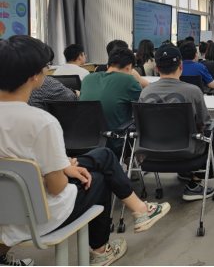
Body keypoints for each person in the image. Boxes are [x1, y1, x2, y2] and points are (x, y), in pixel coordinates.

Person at [0, 36, 170, 267]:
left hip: (5, 208)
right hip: (39, 214)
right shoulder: (40, 122)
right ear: (34, 75)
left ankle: (140, 210)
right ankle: (101, 250)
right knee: (99, 179)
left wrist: (62, 164)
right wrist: (62, 169)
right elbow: (57, 187)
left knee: (103, 156)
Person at [138, 44, 214, 201]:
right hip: (186, 151)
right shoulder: (193, 91)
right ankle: (195, 183)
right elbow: (203, 124)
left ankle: (185, 172)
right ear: (180, 65)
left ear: (156, 68)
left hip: (151, 153)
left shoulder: (145, 92)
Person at [80, 48, 143, 156]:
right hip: (115, 142)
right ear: (129, 67)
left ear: (108, 65)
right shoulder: (129, 80)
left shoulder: (87, 79)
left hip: (84, 141)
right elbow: (144, 106)